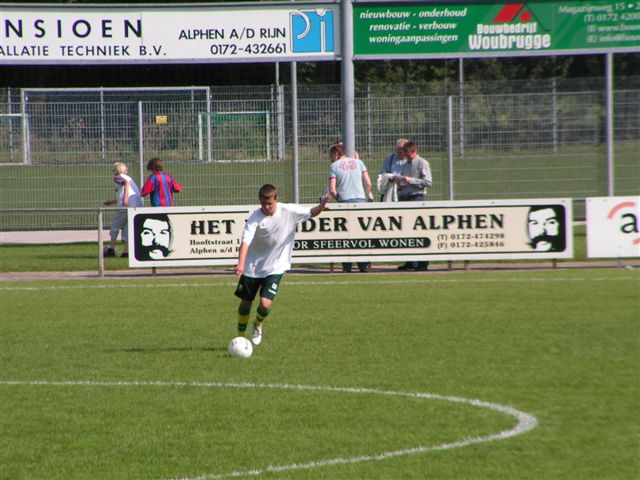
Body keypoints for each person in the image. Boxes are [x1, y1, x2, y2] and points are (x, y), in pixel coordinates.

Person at [234, 184, 329, 346]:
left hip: (276, 265)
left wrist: (321, 206)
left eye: (270, 203)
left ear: (276, 200)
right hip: (252, 266)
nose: (266, 207)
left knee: (265, 304)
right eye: (263, 203)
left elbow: (311, 212)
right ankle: (240, 338)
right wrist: (241, 263)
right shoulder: (254, 218)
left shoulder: (289, 211)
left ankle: (257, 324)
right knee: (246, 303)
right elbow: (245, 242)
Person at [328, 142, 373, 273]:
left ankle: (347, 266)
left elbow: (332, 189)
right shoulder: (359, 163)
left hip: (345, 202)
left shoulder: (334, 166)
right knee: (361, 234)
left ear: (335, 154)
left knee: (345, 235)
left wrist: (339, 199)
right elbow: (368, 183)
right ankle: (363, 265)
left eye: (331, 156)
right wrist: (363, 196)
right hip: (360, 201)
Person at [396, 141, 433, 271]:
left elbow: (428, 182)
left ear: (413, 151)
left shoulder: (423, 163)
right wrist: (399, 181)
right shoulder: (406, 164)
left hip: (417, 197)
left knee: (419, 230)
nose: (405, 156)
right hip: (405, 197)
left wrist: (411, 180)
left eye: (406, 154)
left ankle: (423, 263)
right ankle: (411, 262)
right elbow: (404, 181)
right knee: (407, 231)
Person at [103, 162, 143, 258]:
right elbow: (127, 191)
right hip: (136, 205)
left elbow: (126, 184)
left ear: (115, 170)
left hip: (126, 206)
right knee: (127, 229)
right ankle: (126, 252)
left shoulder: (118, 177)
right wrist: (113, 202)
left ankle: (111, 249)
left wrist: (125, 198)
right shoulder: (130, 178)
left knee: (115, 226)